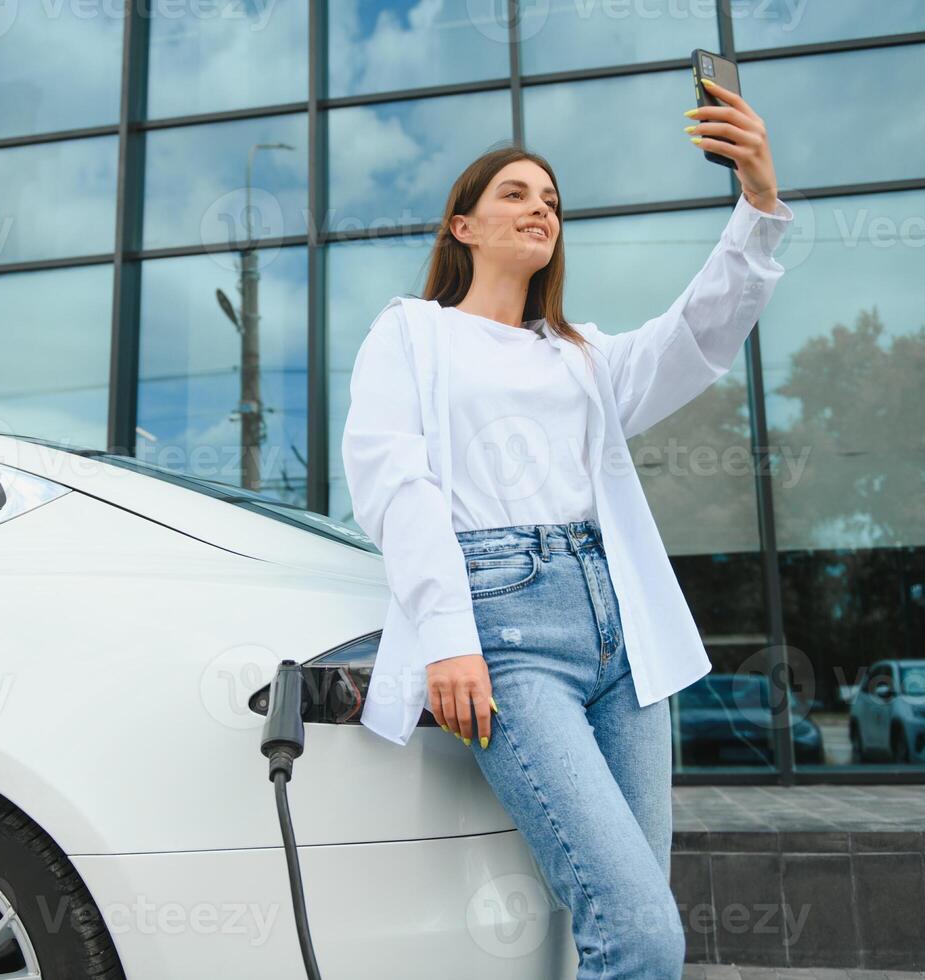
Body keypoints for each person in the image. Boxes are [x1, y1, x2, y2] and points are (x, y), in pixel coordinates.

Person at [340, 78, 793, 978]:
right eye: (513, 192)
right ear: (461, 226)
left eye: (550, 200)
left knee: (628, 918)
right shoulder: (410, 334)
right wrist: (448, 638)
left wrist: (758, 203)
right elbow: (396, 486)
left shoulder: (580, 354)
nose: (538, 209)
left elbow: (699, 335)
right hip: (507, 635)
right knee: (641, 936)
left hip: (621, 635)